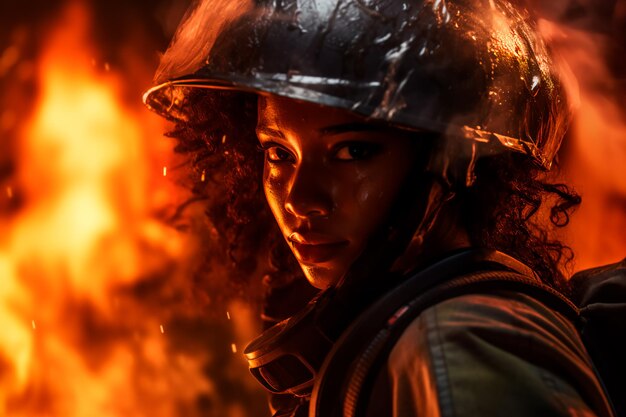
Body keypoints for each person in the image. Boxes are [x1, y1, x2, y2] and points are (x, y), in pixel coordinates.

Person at [143, 0, 615, 416]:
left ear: (454, 165)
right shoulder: (407, 332)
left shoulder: (461, 341)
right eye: (279, 153)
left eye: (353, 152)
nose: (299, 198)